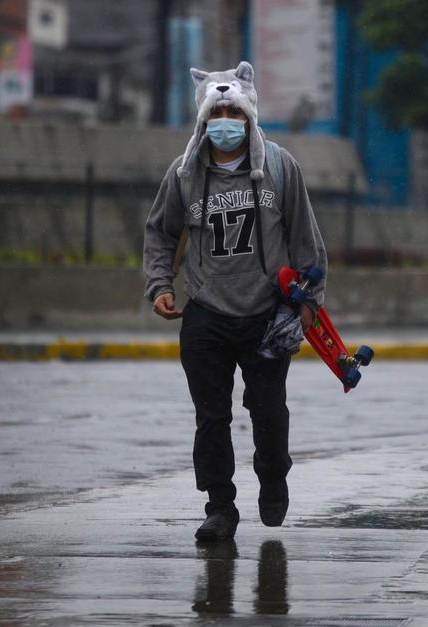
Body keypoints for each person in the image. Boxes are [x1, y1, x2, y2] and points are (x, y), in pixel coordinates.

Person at [143, 61, 328, 541]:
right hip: (206, 313)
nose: (225, 121)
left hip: (267, 314)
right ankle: (220, 507)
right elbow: (161, 233)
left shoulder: (281, 168)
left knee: (268, 412)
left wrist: (309, 302)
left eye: (234, 112)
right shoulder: (184, 174)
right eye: (217, 112)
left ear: (249, 116)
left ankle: (273, 474)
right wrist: (161, 286)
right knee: (211, 418)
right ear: (204, 118)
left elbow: (305, 239)